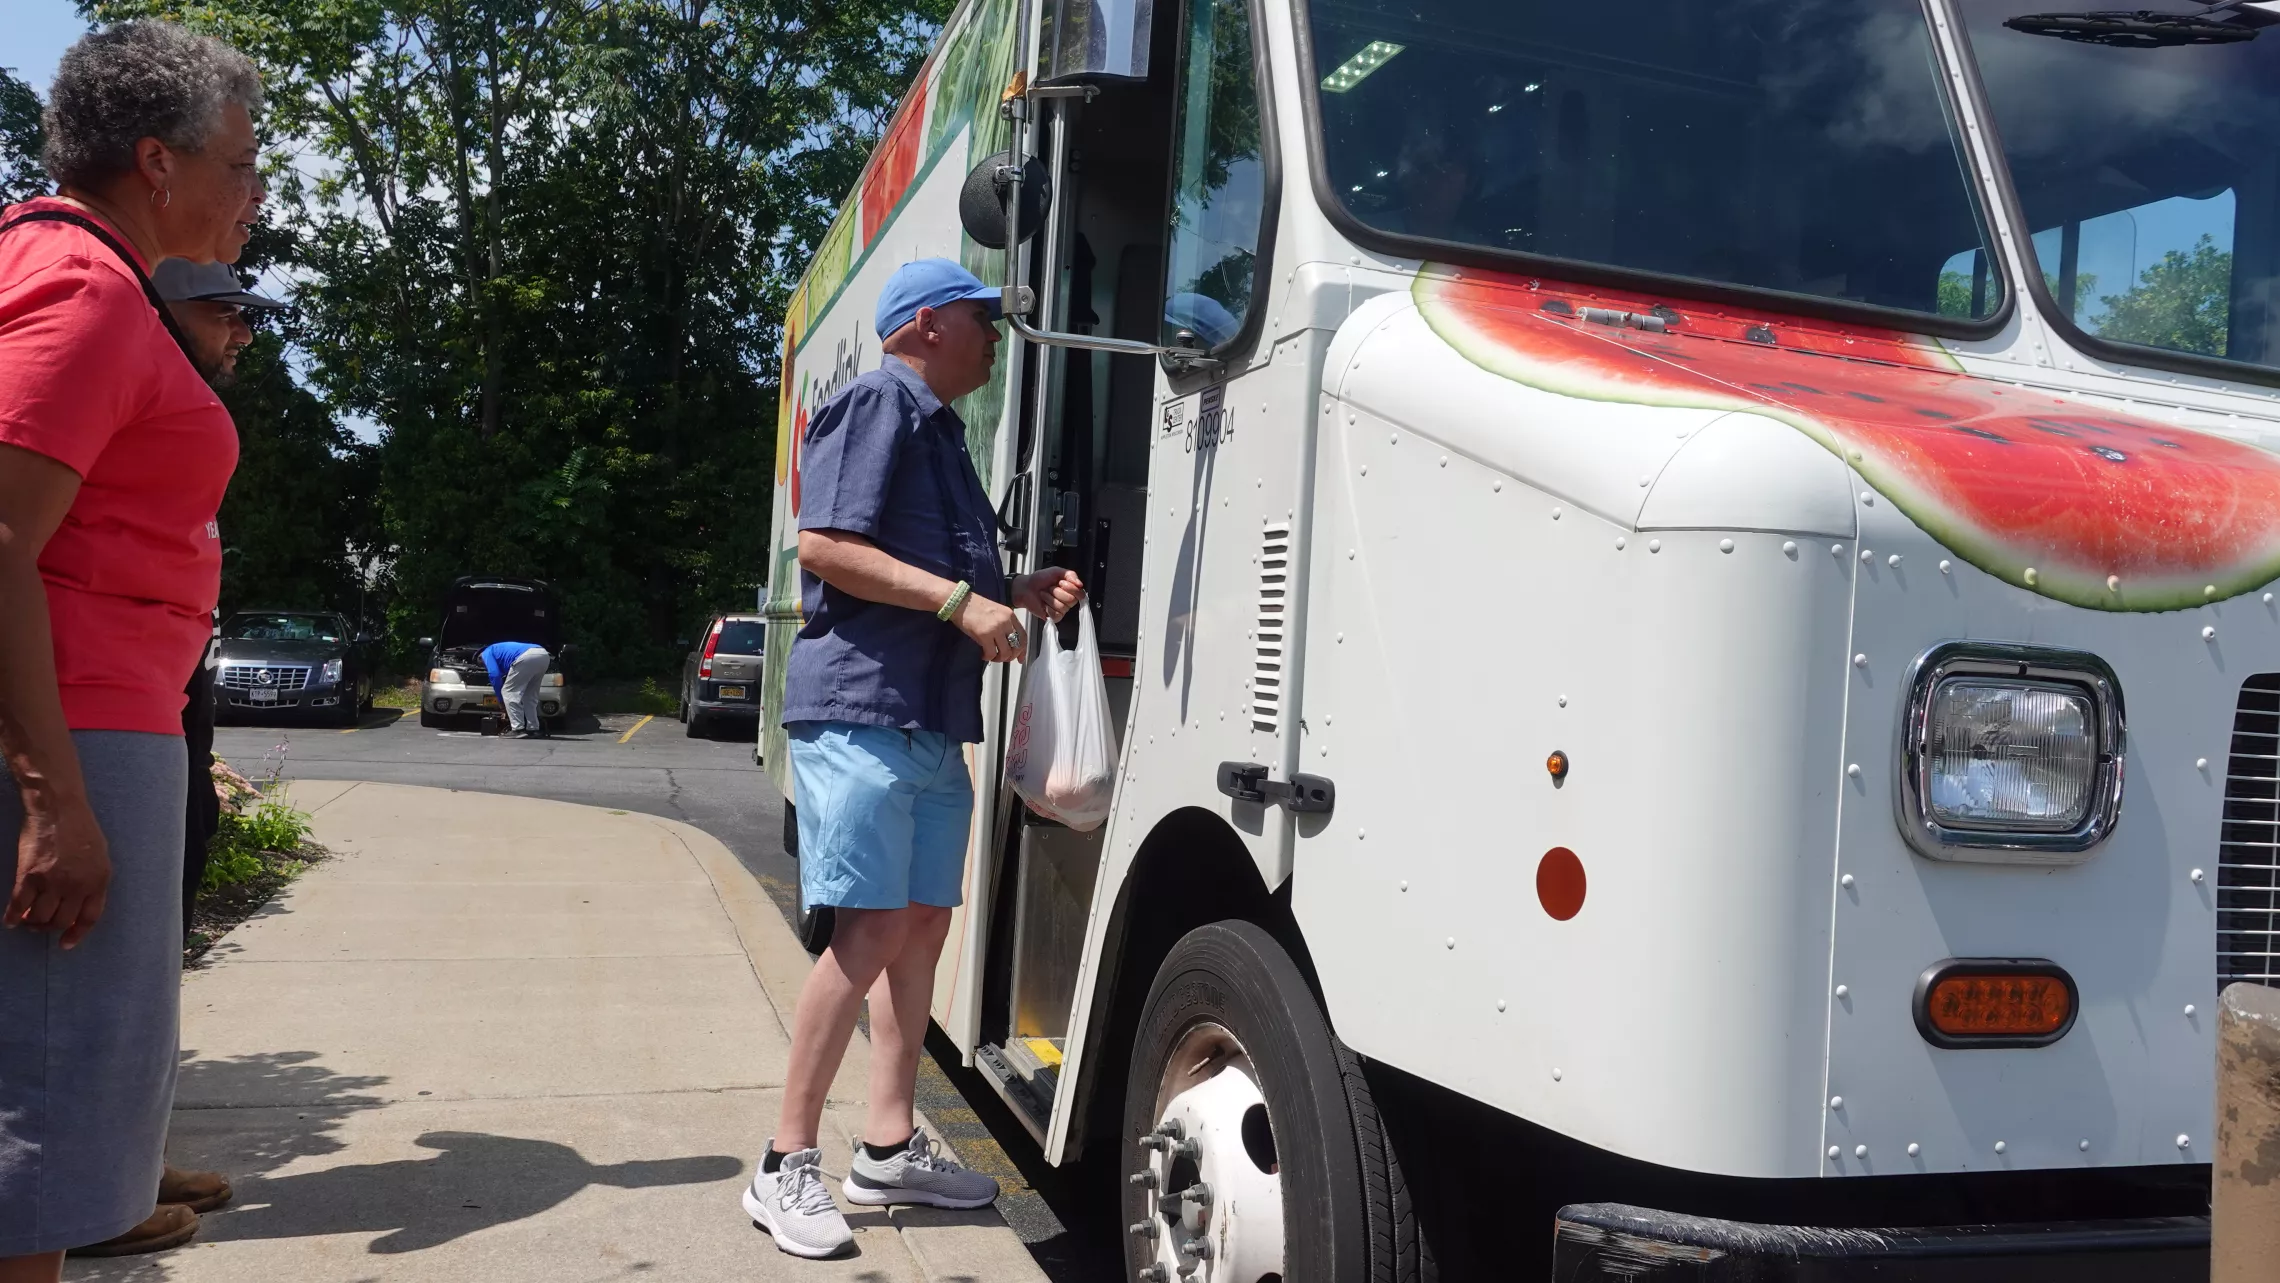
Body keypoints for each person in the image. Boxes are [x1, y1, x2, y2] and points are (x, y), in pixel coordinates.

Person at [743, 258, 1082, 1259]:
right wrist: (961, 604)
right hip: (863, 715)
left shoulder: (938, 428)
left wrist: (1011, 586)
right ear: (927, 324)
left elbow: (934, 563)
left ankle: (888, 1144)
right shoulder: (875, 403)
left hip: (929, 719)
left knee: (921, 926)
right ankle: (783, 1161)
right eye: (984, 319)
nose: (995, 337)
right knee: (869, 928)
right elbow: (825, 545)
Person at [0, 21, 263, 1277]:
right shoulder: (85, 284)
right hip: (77, 730)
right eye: (242, 161)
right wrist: (54, 795)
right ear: (157, 162)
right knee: (36, 1136)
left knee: (50, 1120)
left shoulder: (73, 268)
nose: (252, 194)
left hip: (103, 721)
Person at [481, 639, 553, 739]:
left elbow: (494, 675)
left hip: (527, 657)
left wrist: (501, 701)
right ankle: (534, 729)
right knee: (529, 695)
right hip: (543, 655)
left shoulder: (486, 653)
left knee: (508, 692)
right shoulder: (499, 650)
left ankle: (517, 729)